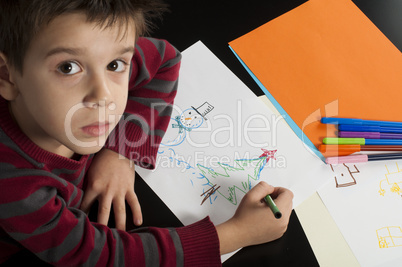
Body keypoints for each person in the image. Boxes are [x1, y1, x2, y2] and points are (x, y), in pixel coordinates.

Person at [0, 0, 294, 266]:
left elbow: (165, 60)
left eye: (115, 65)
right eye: (68, 67)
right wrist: (237, 234)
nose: (104, 95)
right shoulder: (15, 185)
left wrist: (120, 152)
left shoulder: (94, 49)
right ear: (7, 76)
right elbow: (101, 256)